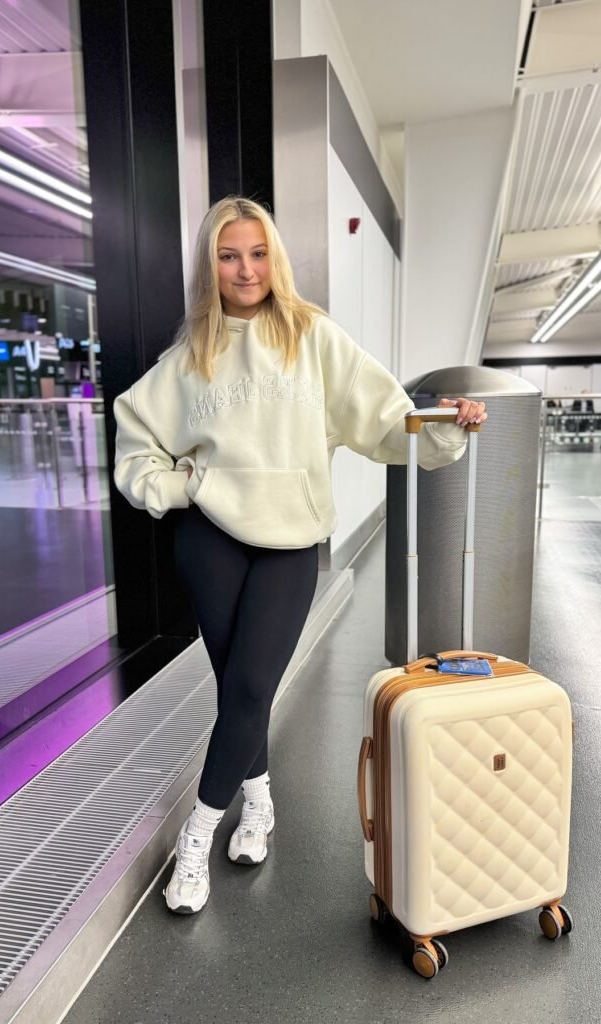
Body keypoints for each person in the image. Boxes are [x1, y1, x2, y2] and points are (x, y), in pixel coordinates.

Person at [113, 196, 487, 916]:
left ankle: (197, 836)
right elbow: (136, 433)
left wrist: (446, 422)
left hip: (291, 537)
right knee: (237, 691)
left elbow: (383, 415)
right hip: (209, 537)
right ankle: (258, 804)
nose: (244, 269)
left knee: (252, 689)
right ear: (210, 264)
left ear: (273, 259)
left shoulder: (310, 336)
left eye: (256, 253)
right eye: (228, 255)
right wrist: (176, 485)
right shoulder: (192, 350)